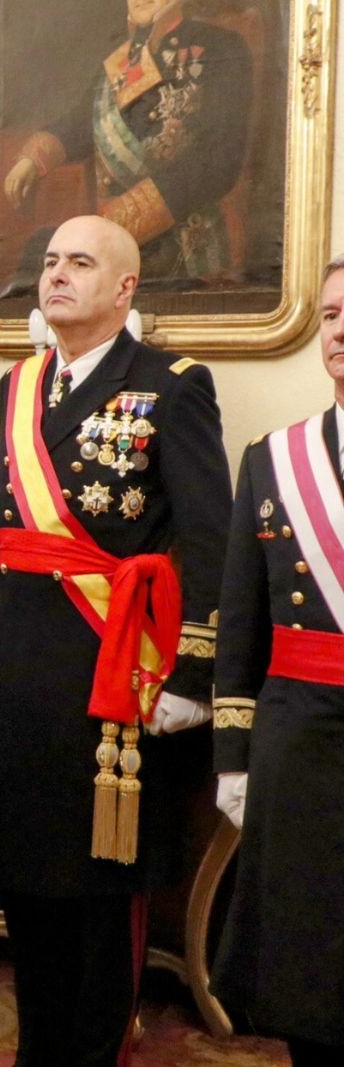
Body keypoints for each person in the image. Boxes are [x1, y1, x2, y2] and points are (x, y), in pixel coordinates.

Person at [0, 215, 229, 1067]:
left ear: (124, 288)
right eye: (49, 261)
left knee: (98, 892)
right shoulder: (19, 387)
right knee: (31, 883)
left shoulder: (172, 383)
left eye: (80, 263)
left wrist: (192, 670)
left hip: (113, 672)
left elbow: (208, 535)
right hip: (21, 672)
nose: (57, 276)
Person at [209, 255, 344, 1067]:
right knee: (308, 958)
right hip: (300, 745)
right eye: (330, 314)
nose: (340, 329)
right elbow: (241, 623)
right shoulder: (274, 458)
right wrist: (234, 754)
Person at [3, 0, 253, 286]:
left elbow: (219, 160)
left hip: (183, 247)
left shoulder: (220, 48)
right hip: (110, 252)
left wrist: (125, 218)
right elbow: (80, 125)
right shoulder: (119, 63)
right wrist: (32, 159)